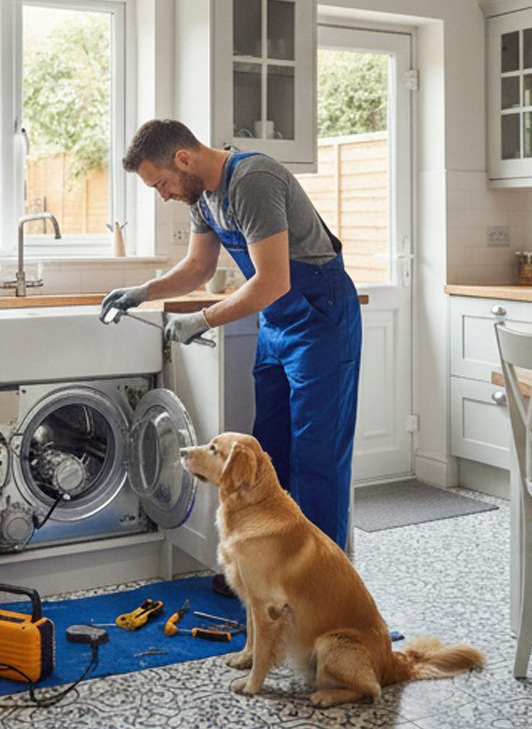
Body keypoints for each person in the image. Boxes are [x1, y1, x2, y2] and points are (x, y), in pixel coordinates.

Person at [104, 119, 362, 551]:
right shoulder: (202, 196)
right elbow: (198, 268)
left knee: (317, 456)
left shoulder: (252, 180)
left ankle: (320, 575)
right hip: (278, 324)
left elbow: (273, 280)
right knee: (267, 453)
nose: (163, 194)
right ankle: (268, 563)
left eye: (161, 183)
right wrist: (143, 292)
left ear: (183, 159)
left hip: (321, 317)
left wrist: (204, 319)